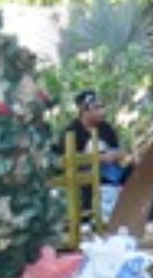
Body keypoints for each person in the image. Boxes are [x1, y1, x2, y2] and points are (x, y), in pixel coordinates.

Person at [56, 90, 132, 220]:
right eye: (96, 108)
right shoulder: (70, 131)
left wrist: (118, 155)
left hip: (111, 172)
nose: (101, 111)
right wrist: (100, 158)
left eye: (101, 107)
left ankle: (131, 210)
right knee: (86, 178)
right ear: (84, 111)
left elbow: (117, 149)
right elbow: (66, 160)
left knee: (133, 171)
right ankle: (89, 216)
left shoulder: (106, 128)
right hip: (85, 175)